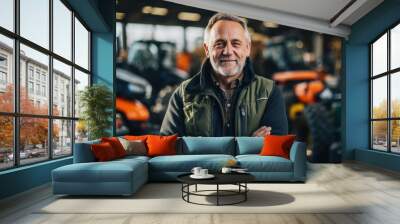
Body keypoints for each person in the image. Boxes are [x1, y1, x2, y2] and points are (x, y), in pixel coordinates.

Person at [160, 13, 288, 137]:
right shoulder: (184, 94)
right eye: (219, 44)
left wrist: (194, 146)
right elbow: (168, 148)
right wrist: (252, 144)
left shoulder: (269, 92)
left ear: (247, 48)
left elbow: (276, 150)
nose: (227, 51)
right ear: (207, 49)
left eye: (236, 43)